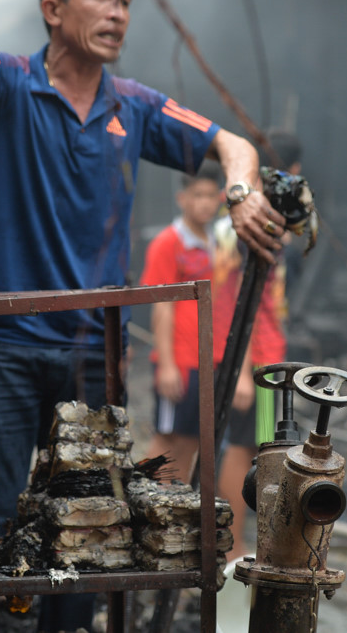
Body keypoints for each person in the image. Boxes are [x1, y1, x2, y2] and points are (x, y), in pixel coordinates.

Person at [0, 0, 286, 631]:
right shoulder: (7, 84)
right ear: (53, 10)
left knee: (88, 534)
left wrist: (241, 192)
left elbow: (231, 143)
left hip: (91, 358)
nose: (117, 15)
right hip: (4, 346)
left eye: (124, 3)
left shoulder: (132, 107)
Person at [213, 128, 303, 554]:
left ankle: (247, 545)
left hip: (268, 356)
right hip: (253, 361)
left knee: (262, 449)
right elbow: (230, 299)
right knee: (242, 451)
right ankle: (231, 548)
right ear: (294, 171)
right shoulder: (241, 226)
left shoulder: (258, 218)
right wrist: (245, 370)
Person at [139, 163, 252, 483]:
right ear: (182, 198)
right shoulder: (168, 242)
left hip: (213, 360)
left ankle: (174, 512)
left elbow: (233, 304)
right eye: (197, 195)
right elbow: (162, 306)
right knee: (167, 439)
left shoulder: (224, 242)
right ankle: (150, 506)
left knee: (193, 440)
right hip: (181, 361)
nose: (204, 202)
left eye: (209, 195)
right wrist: (167, 365)